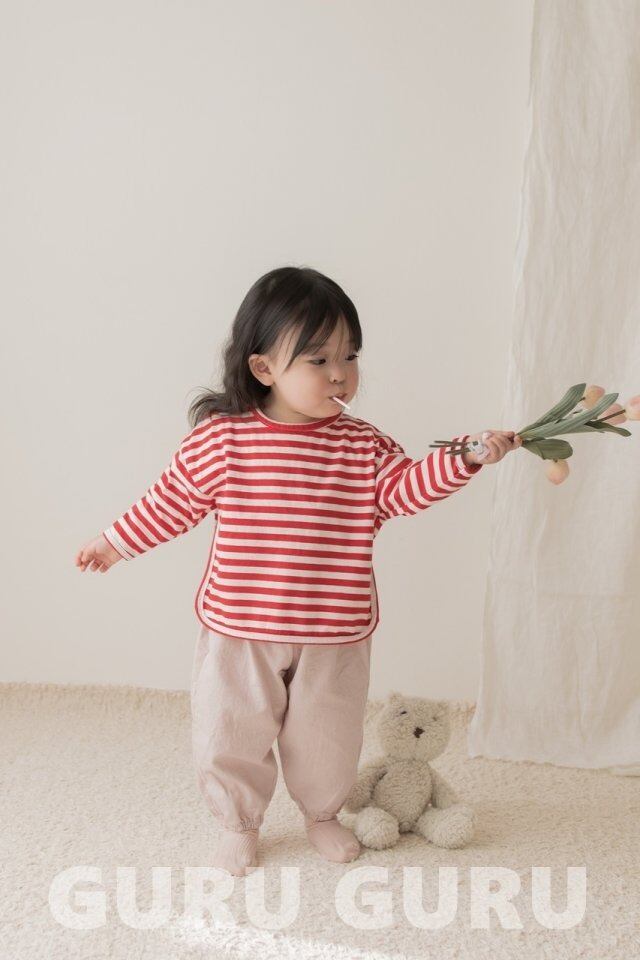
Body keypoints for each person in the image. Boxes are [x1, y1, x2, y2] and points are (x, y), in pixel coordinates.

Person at [75, 265, 522, 877]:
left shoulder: (363, 445)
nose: (341, 373)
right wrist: (113, 543)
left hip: (333, 630)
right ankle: (238, 822)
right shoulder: (222, 441)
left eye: (350, 355)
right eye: (319, 359)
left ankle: (322, 813)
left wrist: (466, 457)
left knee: (327, 735)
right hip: (241, 628)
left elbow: (405, 489)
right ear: (264, 368)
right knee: (229, 732)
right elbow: (170, 501)